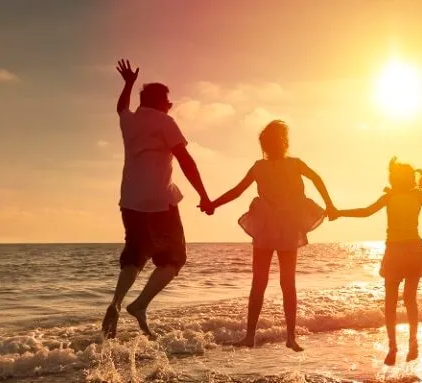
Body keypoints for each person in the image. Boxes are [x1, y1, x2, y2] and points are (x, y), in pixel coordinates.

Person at [329, 157, 422, 365]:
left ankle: (392, 348)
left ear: (394, 180)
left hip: (395, 252)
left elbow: (365, 212)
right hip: (414, 250)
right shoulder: (416, 196)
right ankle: (413, 343)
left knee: (390, 303)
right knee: (410, 299)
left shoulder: (389, 198)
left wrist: (339, 213)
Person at [200, 120, 335, 352]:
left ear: (264, 145)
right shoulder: (294, 164)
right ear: (284, 143)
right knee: (287, 282)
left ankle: (250, 336)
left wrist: (213, 204)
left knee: (258, 282)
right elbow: (317, 179)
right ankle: (291, 337)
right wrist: (330, 205)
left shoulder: (258, 167)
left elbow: (236, 191)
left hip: (265, 225)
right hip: (287, 225)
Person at [101, 60, 212, 340]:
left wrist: (127, 84)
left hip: (130, 200)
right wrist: (204, 195)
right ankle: (140, 305)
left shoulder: (130, 121)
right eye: (168, 99)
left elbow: (121, 108)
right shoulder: (165, 122)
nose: (170, 103)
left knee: (135, 255)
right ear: (162, 102)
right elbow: (186, 160)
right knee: (174, 258)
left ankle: (115, 301)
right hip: (159, 202)